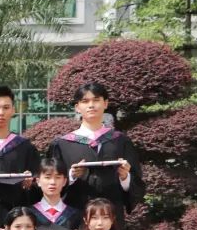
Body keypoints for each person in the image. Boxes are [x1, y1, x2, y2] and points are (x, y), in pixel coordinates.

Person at [49, 82, 144, 221]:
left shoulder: (120, 141)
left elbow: (137, 183)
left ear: (105, 103)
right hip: (75, 216)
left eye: (96, 100)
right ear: (77, 107)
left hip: (111, 217)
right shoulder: (62, 144)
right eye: (85, 101)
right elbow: (50, 182)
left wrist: (125, 177)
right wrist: (71, 176)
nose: (91, 105)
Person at [25, 157, 83, 230]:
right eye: (47, 177)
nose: (52, 182)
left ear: (64, 181)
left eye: (58, 177)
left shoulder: (76, 215)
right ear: (38, 181)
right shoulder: (28, 214)